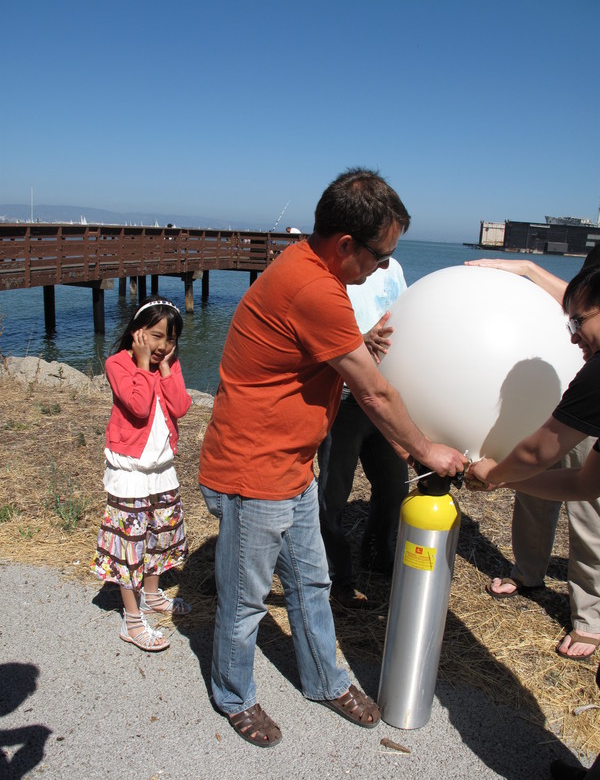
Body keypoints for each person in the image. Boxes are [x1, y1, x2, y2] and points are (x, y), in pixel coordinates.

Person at [198, 168, 468, 748]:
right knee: (246, 602)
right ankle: (233, 695)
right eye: (380, 255)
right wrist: (424, 449)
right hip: (253, 470)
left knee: (312, 583)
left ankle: (325, 680)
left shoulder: (310, 268)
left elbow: (312, 356)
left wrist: (356, 350)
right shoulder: (314, 286)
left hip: (292, 466)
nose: (385, 268)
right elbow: (374, 393)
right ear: (346, 244)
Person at [465, 255, 600, 660]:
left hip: (573, 404)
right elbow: (582, 483)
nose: (573, 337)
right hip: (557, 398)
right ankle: (528, 573)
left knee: (589, 515)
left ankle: (590, 617)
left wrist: (494, 474)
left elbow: (539, 452)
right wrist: (526, 269)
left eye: (578, 325)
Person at [91, 295, 192, 652]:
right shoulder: (118, 363)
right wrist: (144, 365)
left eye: (171, 339)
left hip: (161, 469)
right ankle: (132, 620)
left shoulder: (169, 364)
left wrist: (165, 369)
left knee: (160, 535)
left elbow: (180, 406)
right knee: (129, 544)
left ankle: (151, 595)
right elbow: (137, 405)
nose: (163, 345)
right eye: (156, 335)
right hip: (130, 471)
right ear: (137, 333)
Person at [318, 257, 408, 607]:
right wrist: (358, 342)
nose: (385, 256)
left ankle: (377, 551)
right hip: (344, 398)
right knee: (333, 493)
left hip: (386, 395)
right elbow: (318, 332)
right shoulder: (333, 271)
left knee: (394, 485)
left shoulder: (394, 268)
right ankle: (335, 574)